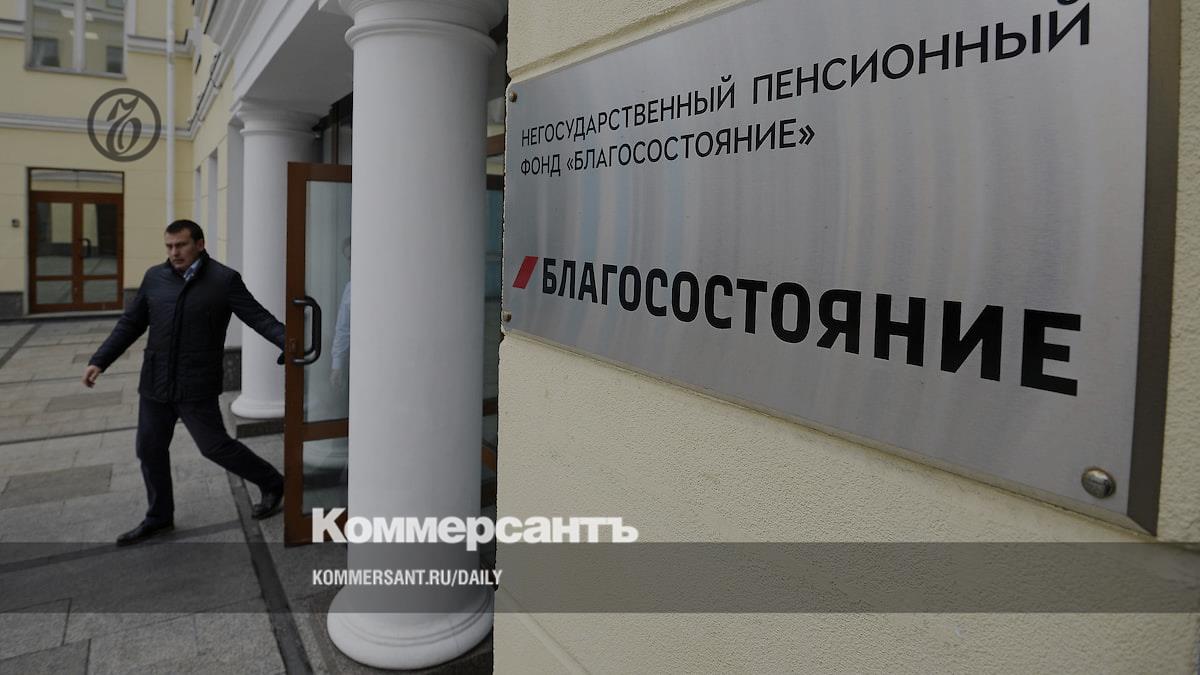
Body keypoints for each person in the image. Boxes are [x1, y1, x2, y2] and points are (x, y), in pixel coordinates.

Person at [83, 219, 287, 546]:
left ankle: (273, 482)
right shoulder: (155, 277)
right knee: (149, 449)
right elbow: (130, 324)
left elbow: (257, 316)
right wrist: (100, 360)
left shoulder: (223, 280)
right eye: (169, 246)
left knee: (214, 447)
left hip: (196, 384)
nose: (174, 252)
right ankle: (159, 517)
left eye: (181, 245)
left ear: (200, 244)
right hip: (156, 382)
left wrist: (288, 341)